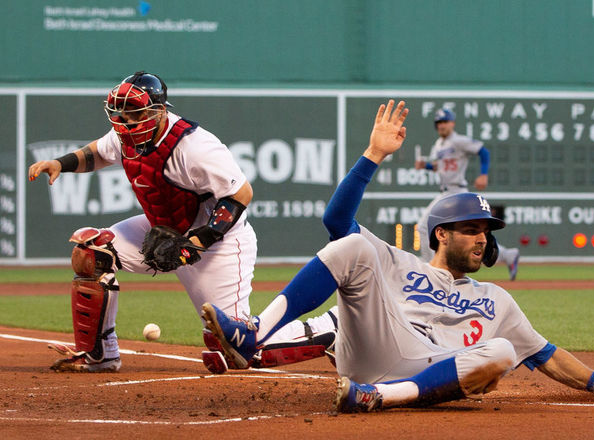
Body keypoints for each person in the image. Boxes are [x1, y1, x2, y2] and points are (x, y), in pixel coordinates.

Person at [201, 100, 520, 412]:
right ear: (440, 235)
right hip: (381, 350)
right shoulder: (402, 264)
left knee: (503, 350)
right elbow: (337, 221)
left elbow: (543, 353)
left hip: (430, 366)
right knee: (350, 265)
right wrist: (374, 154)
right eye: (470, 229)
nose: (479, 239)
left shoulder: (491, 299)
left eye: (483, 233)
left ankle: (378, 395)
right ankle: (253, 337)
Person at [28, 71, 335, 373]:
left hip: (218, 245)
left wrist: (197, 243)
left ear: (159, 111)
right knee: (92, 250)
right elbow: (96, 153)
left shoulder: (194, 146)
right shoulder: (126, 136)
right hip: (163, 230)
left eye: (134, 113)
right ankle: (99, 355)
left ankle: (332, 329)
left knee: (240, 350)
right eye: (120, 114)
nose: (126, 121)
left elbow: (240, 194)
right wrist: (60, 163)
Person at [415, 108, 520, 280]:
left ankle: (433, 273)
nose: (442, 125)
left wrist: (484, 174)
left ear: (452, 123)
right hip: (446, 191)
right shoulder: (438, 145)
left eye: (445, 121)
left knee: (424, 226)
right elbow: (438, 166)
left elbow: (483, 151)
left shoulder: (458, 140)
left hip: (456, 191)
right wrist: (425, 166)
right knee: (465, 235)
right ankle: (508, 255)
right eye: (439, 123)